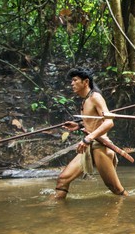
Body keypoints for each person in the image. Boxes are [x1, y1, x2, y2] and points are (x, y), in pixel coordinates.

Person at [51, 67, 128, 199]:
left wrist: (88, 138)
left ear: (85, 82)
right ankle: (53, 207)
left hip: (100, 147)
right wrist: (79, 125)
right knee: (62, 180)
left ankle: (131, 206)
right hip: (90, 146)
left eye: (75, 80)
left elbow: (109, 122)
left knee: (115, 189)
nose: (72, 83)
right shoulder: (85, 100)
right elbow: (94, 122)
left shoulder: (95, 97)